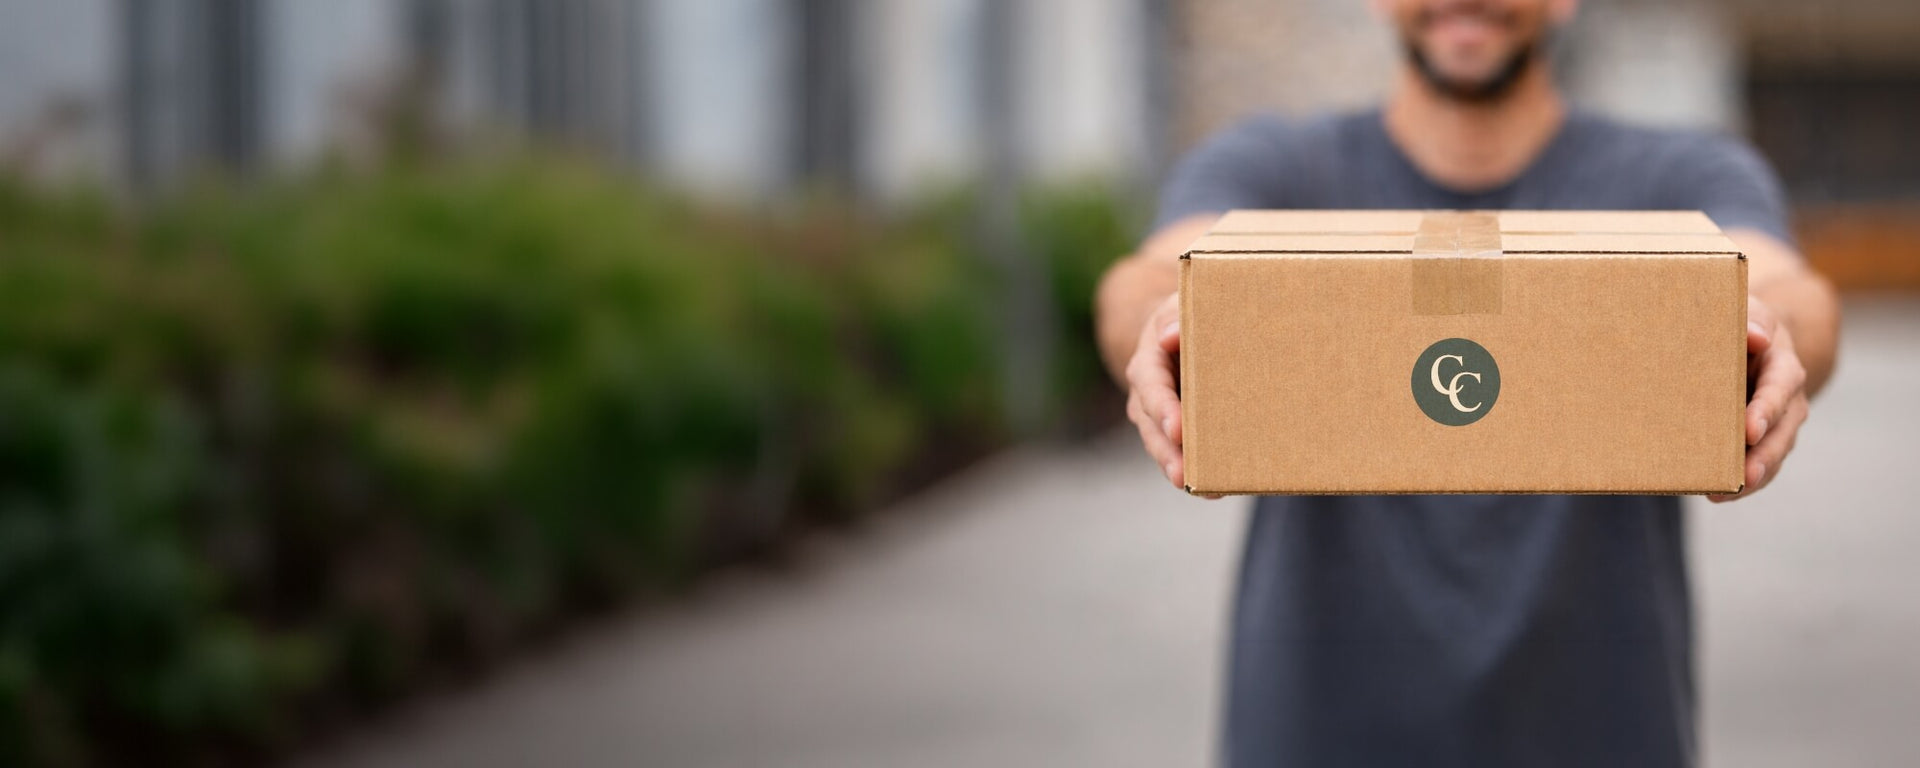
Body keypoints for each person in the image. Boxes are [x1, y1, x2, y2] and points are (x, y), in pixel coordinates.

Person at [1094, 0, 1841, 765]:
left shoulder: (1675, 177)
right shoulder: (1280, 168)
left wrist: (1771, 337)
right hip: (1317, 728)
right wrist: (1162, 326)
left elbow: (1783, 285)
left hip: (1599, 727)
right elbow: (1158, 273)